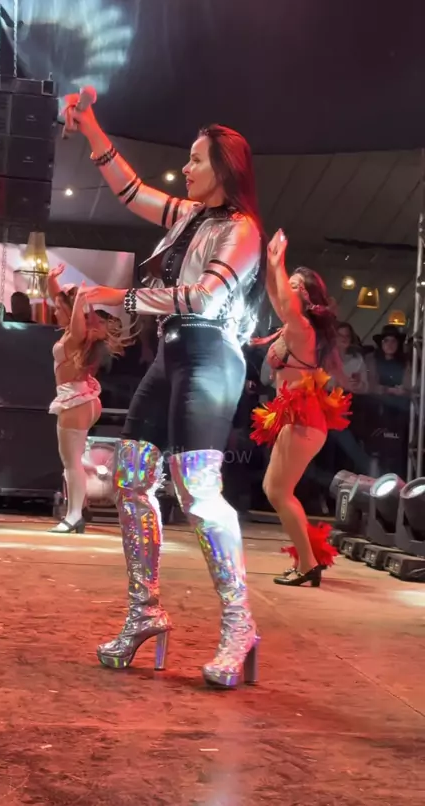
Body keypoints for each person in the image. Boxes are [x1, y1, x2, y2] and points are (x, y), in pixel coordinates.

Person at [61, 92, 266, 689]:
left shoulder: (242, 230)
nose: (186, 167)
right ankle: (145, 610)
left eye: (197, 160)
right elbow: (130, 190)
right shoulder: (189, 217)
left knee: (197, 488)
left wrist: (118, 297)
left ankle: (239, 624)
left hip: (211, 356)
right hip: (172, 354)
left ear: (224, 168)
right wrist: (90, 125)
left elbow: (204, 296)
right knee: (130, 476)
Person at [250, 230, 350, 587]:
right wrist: (271, 263)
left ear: (307, 300)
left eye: (295, 287)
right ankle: (310, 556)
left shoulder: (302, 329)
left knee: (278, 491)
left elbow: (285, 303)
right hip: (298, 417)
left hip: (304, 418)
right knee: (274, 488)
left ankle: (307, 564)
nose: (286, 290)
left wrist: (279, 264)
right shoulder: (292, 327)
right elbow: (276, 295)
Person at [47, 264, 132, 534]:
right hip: (84, 397)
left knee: (70, 464)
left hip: (75, 400)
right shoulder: (73, 332)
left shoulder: (76, 335)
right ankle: (78, 508)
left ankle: (74, 515)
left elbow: (70, 308)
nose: (54, 311)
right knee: (73, 461)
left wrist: (80, 297)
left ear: (71, 312)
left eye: (59, 309)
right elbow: (59, 298)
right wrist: (52, 280)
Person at [335, 322, 368, 393]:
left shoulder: (357, 359)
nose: (344, 338)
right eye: (340, 335)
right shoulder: (325, 358)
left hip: (351, 397)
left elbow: (365, 387)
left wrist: (358, 385)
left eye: (347, 336)